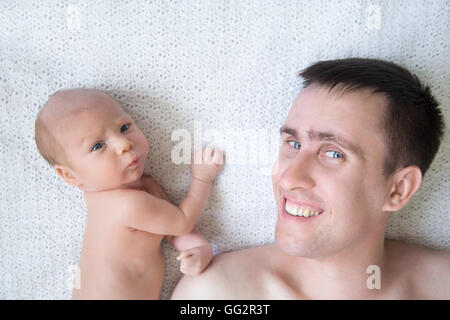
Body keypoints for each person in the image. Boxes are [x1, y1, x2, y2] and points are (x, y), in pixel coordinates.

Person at [171, 58, 450, 299]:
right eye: (293, 144)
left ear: (398, 189)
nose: (289, 177)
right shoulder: (216, 295)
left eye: (333, 154)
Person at [34, 88, 223, 299]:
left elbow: (172, 230)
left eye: (124, 127)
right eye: (97, 146)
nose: (124, 143)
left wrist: (200, 249)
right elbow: (182, 221)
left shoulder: (128, 194)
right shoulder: (125, 205)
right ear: (70, 175)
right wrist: (202, 179)